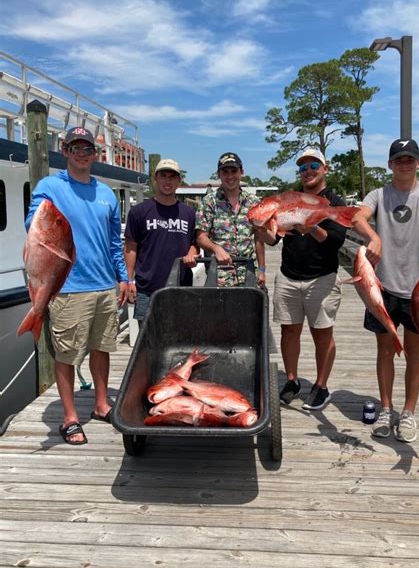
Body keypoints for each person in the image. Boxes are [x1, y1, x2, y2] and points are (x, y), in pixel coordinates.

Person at [25, 126, 129, 445]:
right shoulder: (50, 187)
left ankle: (101, 404)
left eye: (87, 149)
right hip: (68, 286)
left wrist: (123, 276)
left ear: (94, 155)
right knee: (67, 354)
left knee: (102, 348)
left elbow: (115, 242)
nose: (82, 154)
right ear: (64, 150)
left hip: (104, 285)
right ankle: (70, 417)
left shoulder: (107, 194)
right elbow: (34, 223)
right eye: (75, 148)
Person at [352, 138, 419, 443]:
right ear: (390, 164)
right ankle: (386, 408)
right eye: (399, 160)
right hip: (383, 286)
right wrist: (373, 236)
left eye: (410, 159)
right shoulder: (379, 194)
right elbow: (357, 217)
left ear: (418, 163)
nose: (404, 164)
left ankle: (408, 413)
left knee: (414, 351)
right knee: (384, 350)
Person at [256, 148, 348, 410]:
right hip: (288, 275)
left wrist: (313, 228)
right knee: (289, 330)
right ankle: (293, 381)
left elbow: (336, 242)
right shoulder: (288, 199)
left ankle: (321, 386)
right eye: (303, 167)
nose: (308, 171)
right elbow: (273, 239)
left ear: (325, 169)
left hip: (322, 278)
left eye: (313, 166)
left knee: (322, 334)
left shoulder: (333, 201)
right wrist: (262, 229)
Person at [124, 158, 198, 325]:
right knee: (147, 344)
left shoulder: (189, 213)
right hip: (147, 289)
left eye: (172, 177)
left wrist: (192, 253)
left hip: (181, 288)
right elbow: (130, 247)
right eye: (163, 176)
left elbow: (195, 243)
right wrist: (129, 280)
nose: (167, 181)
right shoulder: (139, 212)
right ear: (155, 179)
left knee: (180, 342)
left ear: (179, 181)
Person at [195, 152, 266, 287]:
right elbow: (200, 237)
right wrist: (215, 248)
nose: (230, 176)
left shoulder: (254, 202)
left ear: (241, 172)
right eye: (225, 172)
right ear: (219, 174)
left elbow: (259, 238)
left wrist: (262, 270)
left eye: (234, 171)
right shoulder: (209, 202)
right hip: (219, 277)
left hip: (249, 274)